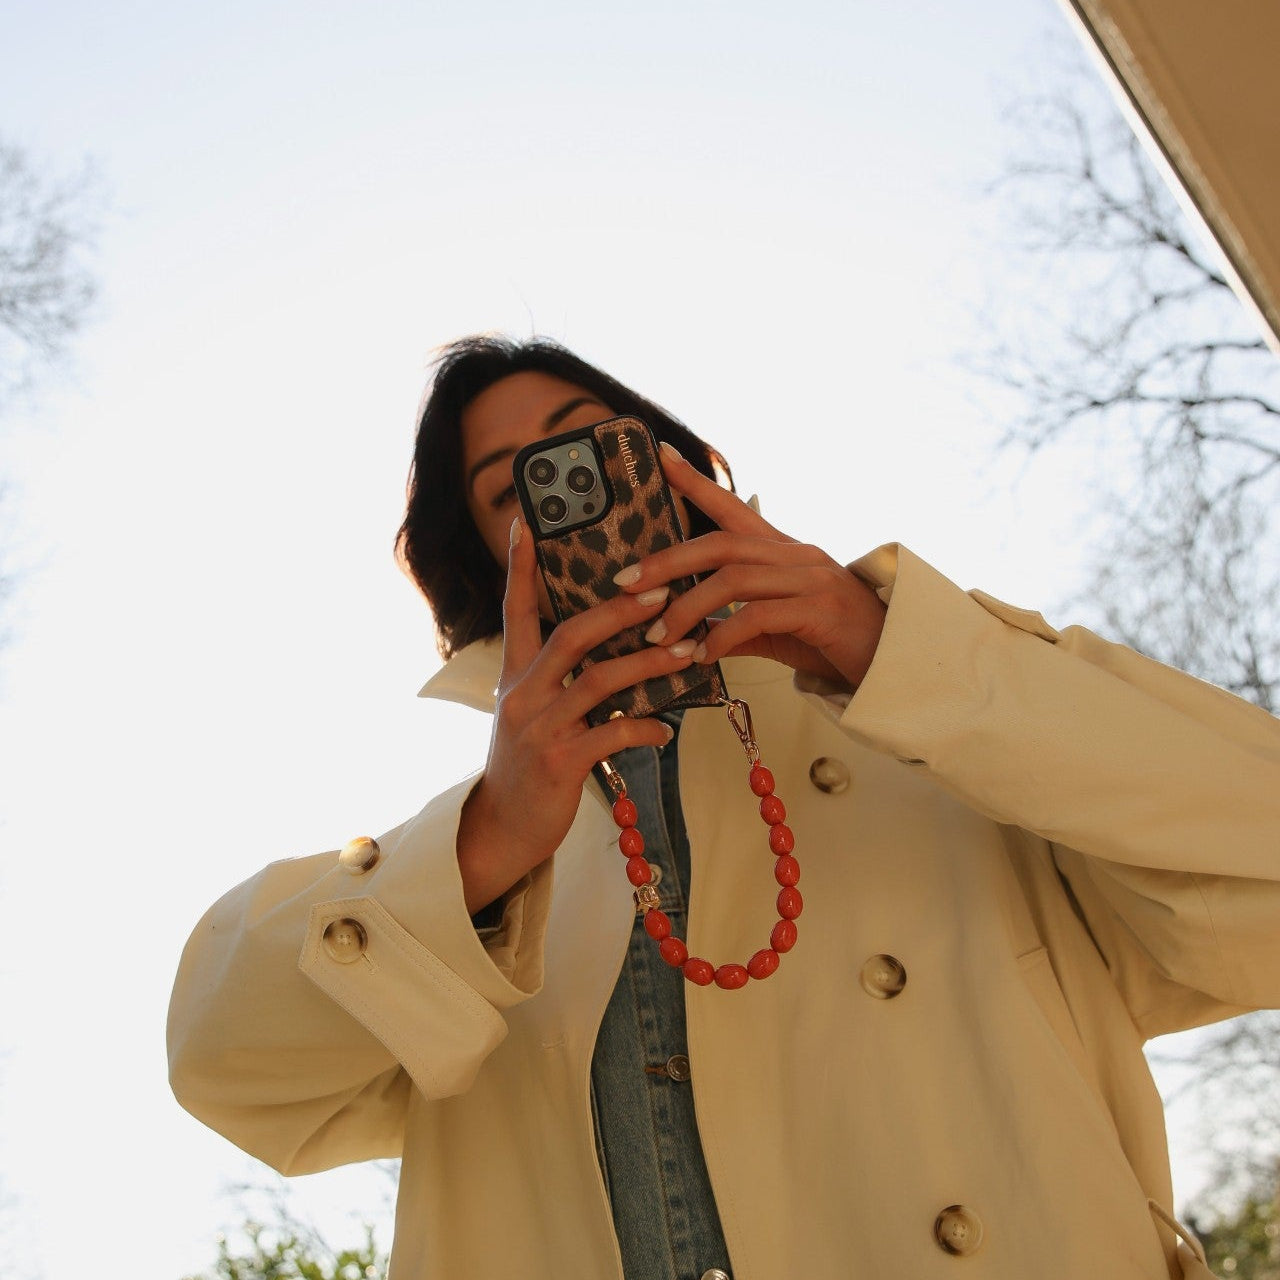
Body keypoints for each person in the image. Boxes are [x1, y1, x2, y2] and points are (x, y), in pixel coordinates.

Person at [168, 334, 1280, 1280]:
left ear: (670, 460)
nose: (569, 488)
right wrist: (486, 843)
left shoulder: (964, 758)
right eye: (514, 488)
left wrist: (884, 641)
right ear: (487, 560)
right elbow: (221, 1060)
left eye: (587, 440)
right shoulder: (474, 885)